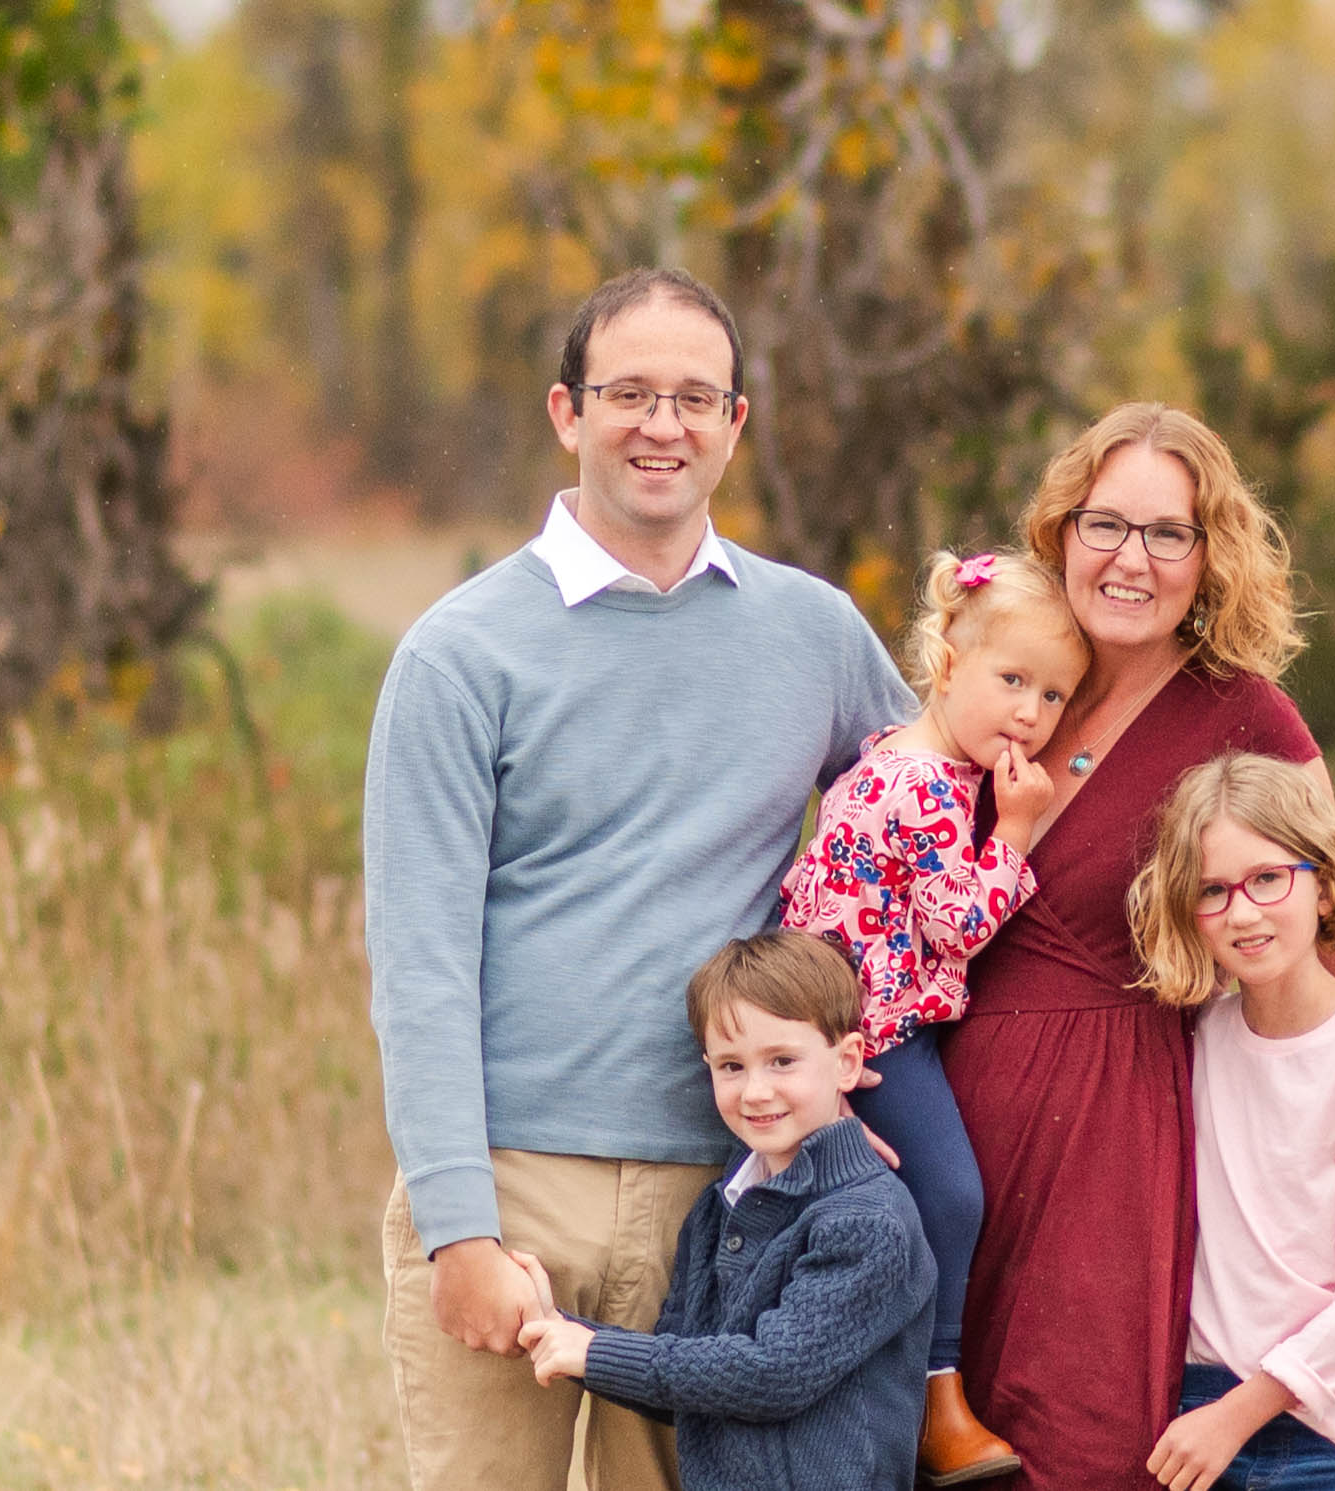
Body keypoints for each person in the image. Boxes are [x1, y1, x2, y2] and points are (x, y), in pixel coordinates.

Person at [364, 267, 919, 1491]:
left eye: (694, 398)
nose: (662, 426)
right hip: (514, 1185)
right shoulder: (459, 655)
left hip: (731, 1197)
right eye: (628, 394)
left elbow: (926, 830)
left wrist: (871, 1052)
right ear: (568, 412)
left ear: (735, 423)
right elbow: (419, 968)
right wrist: (458, 1228)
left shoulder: (816, 634)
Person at [938, 402, 1335, 1489]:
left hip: (1109, 1147)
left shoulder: (1246, 719)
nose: (1131, 559)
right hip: (955, 1127)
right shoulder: (1016, 674)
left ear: (1208, 552)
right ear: (1062, 533)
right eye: (1105, 525)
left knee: (1074, 1445)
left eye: (1166, 533)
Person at [779, 549, 1089, 1484]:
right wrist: (1017, 831)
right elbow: (954, 924)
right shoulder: (928, 789)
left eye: (1053, 695)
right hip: (876, 1031)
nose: (1030, 713)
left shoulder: (889, 753)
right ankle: (935, 1401)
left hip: (844, 1018)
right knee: (950, 1194)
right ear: (947, 664)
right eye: (1012, 680)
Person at [512, 932, 937, 1491]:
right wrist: (561, 1333)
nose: (755, 1091)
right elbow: (686, 1380)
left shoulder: (867, 1221)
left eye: (782, 1061)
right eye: (731, 1066)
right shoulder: (717, 1210)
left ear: (848, 1062)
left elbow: (774, 1373)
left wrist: (593, 1351)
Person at [1129, 753, 1335, 1491]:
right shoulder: (1200, 1041)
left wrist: (1235, 1416)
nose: (1242, 912)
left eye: (1268, 878)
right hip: (1206, 1411)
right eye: (1212, 890)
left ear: (1322, 885)